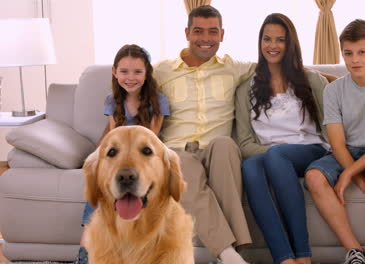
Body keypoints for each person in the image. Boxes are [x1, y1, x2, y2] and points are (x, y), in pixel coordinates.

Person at [153, 5, 256, 264]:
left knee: (224, 144)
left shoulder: (233, 67)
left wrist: (332, 80)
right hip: (176, 150)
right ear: (187, 33)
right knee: (182, 162)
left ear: (222, 34)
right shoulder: (162, 71)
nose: (205, 39)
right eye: (198, 31)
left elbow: (279, 68)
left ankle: (228, 254)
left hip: (216, 150)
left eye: (212, 32)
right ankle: (229, 254)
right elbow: (130, 89)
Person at [304, 19, 365, 264]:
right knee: (314, 176)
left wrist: (349, 174)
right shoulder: (333, 91)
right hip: (345, 152)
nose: (355, 60)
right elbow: (337, 144)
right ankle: (355, 252)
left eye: (362, 52)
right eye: (348, 53)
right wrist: (355, 175)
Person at [235, 13, 331, 264]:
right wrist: (273, 150)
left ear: (290, 44)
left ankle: (303, 255)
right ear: (260, 42)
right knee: (250, 168)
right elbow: (244, 143)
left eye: (280, 40)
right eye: (267, 39)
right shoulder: (247, 87)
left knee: (276, 154)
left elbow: (331, 125)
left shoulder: (311, 80)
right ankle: (285, 259)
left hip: (309, 150)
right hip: (268, 154)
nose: (273, 46)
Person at [75, 44, 170, 264]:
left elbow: (151, 142)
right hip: (118, 159)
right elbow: (113, 136)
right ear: (114, 72)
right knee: (98, 183)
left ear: (147, 74)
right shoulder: (113, 101)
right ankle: (85, 251)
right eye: (124, 71)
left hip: (144, 160)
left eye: (137, 72)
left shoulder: (158, 102)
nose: (130, 78)